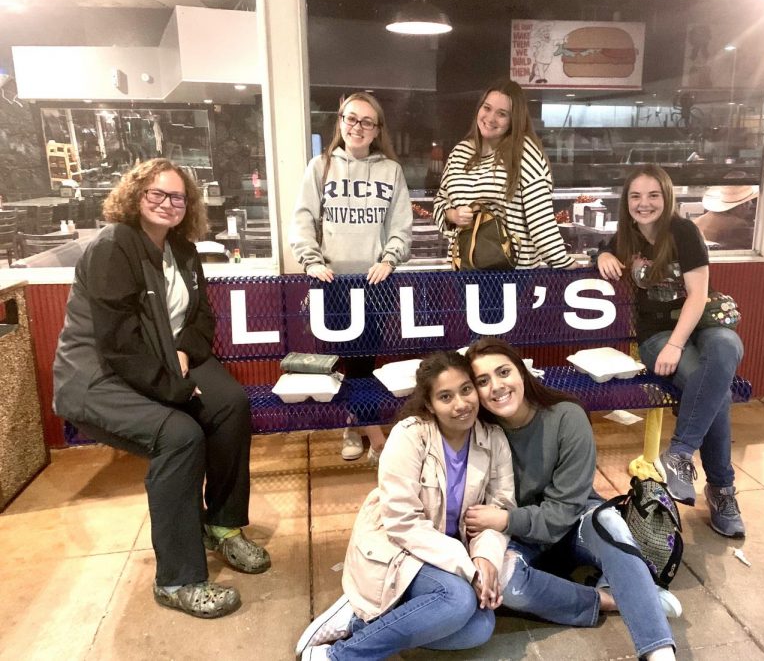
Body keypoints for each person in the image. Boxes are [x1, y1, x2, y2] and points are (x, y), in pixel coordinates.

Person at [52, 158, 270, 619]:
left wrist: (186, 353)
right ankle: (177, 578)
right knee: (180, 436)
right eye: (157, 194)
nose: (169, 204)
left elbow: (201, 317)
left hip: (170, 360)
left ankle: (224, 526)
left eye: (178, 197)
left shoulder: (183, 250)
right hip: (100, 375)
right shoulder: (114, 247)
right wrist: (174, 390)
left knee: (230, 404)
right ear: (135, 196)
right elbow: (118, 343)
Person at [463, 337, 679, 661]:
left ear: (521, 373)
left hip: (572, 521)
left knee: (611, 526)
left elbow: (565, 509)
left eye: (503, 372)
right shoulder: (479, 433)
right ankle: (614, 599)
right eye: (482, 381)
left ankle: (660, 652)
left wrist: (507, 519)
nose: (496, 386)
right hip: (518, 537)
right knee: (506, 586)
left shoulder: (566, 416)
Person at [295, 351, 516, 661]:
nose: (461, 404)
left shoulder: (493, 439)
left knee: (479, 628)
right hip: (395, 546)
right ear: (429, 404)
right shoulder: (410, 436)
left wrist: (485, 558)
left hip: (443, 553)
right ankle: (336, 657)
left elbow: (499, 508)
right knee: (457, 600)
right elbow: (402, 524)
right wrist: (468, 568)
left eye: (466, 390)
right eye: (445, 396)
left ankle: (362, 619)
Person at [596, 164, 746, 538]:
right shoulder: (625, 237)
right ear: (626, 202)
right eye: (635, 196)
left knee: (727, 345)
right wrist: (602, 255)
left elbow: (698, 295)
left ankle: (679, 452)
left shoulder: (683, 231)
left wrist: (678, 344)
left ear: (666, 197)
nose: (644, 204)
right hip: (654, 335)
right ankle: (722, 489)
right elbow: (606, 251)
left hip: (698, 325)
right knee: (716, 389)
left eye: (652, 195)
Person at [290, 92, 412, 462]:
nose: (357, 127)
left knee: (364, 362)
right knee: (345, 362)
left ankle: (358, 423)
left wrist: (390, 259)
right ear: (340, 122)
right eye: (351, 118)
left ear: (377, 130)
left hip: (375, 284)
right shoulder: (320, 166)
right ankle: (373, 436)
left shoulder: (390, 170)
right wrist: (310, 262)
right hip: (332, 285)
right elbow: (302, 221)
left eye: (366, 122)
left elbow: (401, 226)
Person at [433, 78, 575, 269]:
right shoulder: (460, 152)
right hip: (464, 272)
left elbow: (541, 223)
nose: (490, 118)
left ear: (513, 120)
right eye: (487, 108)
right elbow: (440, 203)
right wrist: (453, 216)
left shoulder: (525, 153)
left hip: (513, 276)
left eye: (502, 114)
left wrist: (565, 266)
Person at [693, 184, 758, 250]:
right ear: (744, 205)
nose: (750, 207)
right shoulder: (738, 224)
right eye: (749, 203)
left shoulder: (697, 221)